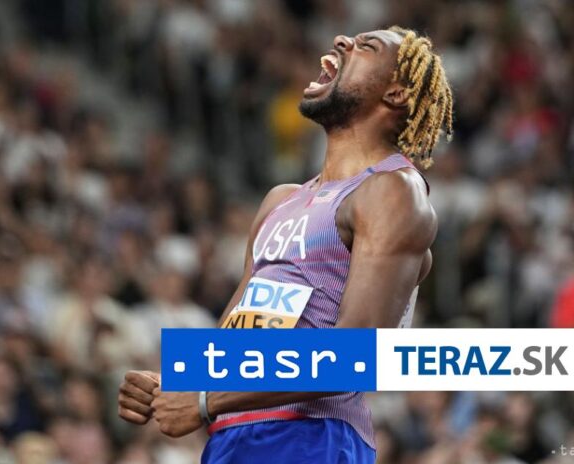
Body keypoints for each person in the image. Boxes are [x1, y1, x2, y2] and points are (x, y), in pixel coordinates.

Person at [118, 27, 453, 463]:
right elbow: (234, 340)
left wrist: (203, 401)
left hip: (314, 435)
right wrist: (174, 384)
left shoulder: (393, 190)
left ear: (395, 94)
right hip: (232, 434)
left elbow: (357, 354)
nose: (342, 41)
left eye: (367, 47)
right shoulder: (280, 200)